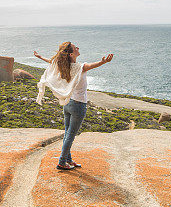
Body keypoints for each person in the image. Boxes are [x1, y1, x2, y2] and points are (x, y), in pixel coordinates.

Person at [34, 42, 113, 170]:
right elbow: (93, 65)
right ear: (71, 54)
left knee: (67, 133)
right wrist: (103, 62)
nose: (78, 48)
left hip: (68, 103)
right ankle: (62, 161)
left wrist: (40, 57)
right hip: (78, 105)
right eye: (76, 48)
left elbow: (51, 62)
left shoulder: (63, 65)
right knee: (70, 135)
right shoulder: (79, 67)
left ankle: (68, 160)